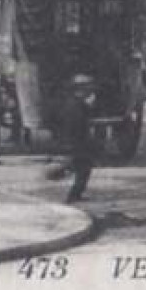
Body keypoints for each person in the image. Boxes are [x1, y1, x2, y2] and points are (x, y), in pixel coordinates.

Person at [59, 74, 98, 203]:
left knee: (82, 167)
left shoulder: (75, 103)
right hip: (77, 142)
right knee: (83, 168)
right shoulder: (75, 105)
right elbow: (80, 124)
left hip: (76, 142)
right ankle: (73, 195)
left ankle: (75, 192)